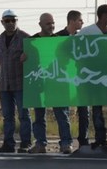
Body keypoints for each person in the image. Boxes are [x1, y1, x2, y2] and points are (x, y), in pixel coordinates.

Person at [78, 4, 107, 150]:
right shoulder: (87, 31)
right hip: (94, 76)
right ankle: (100, 138)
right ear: (103, 15)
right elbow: (74, 47)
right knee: (96, 108)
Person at [27, 13, 73, 154]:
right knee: (39, 116)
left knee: (62, 115)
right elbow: (28, 63)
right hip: (39, 84)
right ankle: (40, 144)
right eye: (48, 23)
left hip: (57, 85)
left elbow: (69, 60)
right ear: (40, 24)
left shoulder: (60, 41)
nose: (51, 26)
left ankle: (66, 143)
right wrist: (24, 58)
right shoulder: (31, 41)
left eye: (52, 23)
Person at [0, 9, 33, 153]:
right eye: (7, 20)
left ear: (17, 21)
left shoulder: (25, 38)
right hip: (5, 84)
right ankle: (8, 144)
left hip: (20, 83)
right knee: (7, 116)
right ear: (2, 22)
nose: (10, 23)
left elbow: (36, 56)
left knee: (24, 115)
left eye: (13, 20)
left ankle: (26, 143)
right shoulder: (0, 39)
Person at [55, 10, 90, 147]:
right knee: (63, 112)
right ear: (72, 21)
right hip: (63, 80)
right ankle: (66, 142)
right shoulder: (57, 37)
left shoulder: (83, 38)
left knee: (84, 112)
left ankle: (84, 141)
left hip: (80, 80)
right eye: (80, 20)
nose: (82, 23)